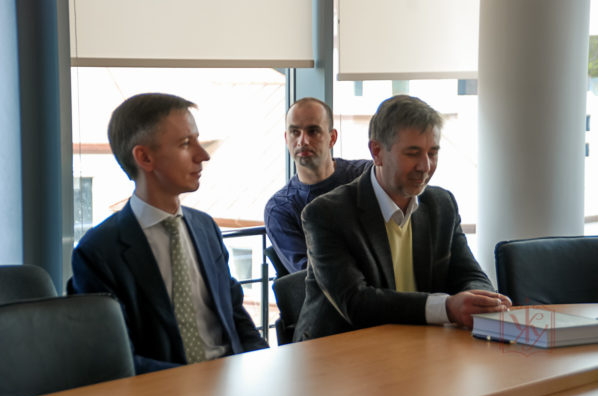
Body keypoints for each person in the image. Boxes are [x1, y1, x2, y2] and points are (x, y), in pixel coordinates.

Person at [69, 93, 268, 374]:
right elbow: (113, 356)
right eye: (186, 143)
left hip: (232, 379)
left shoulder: (205, 228)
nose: (203, 155)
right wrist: (190, 382)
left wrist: (266, 365)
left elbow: (235, 313)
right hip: (163, 387)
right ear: (144, 157)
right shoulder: (98, 251)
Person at [293, 95, 511, 341]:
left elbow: (469, 274)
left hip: (419, 345)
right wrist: (448, 308)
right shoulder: (326, 214)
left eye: (433, 153)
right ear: (377, 152)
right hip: (339, 351)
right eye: (413, 153)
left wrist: (480, 301)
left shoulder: (442, 205)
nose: (425, 166)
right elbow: (357, 303)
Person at [264, 97, 371, 274]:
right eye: (295, 132)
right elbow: (306, 275)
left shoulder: (366, 175)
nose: (303, 141)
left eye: (313, 131)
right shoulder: (280, 209)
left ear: (332, 138)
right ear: (286, 138)